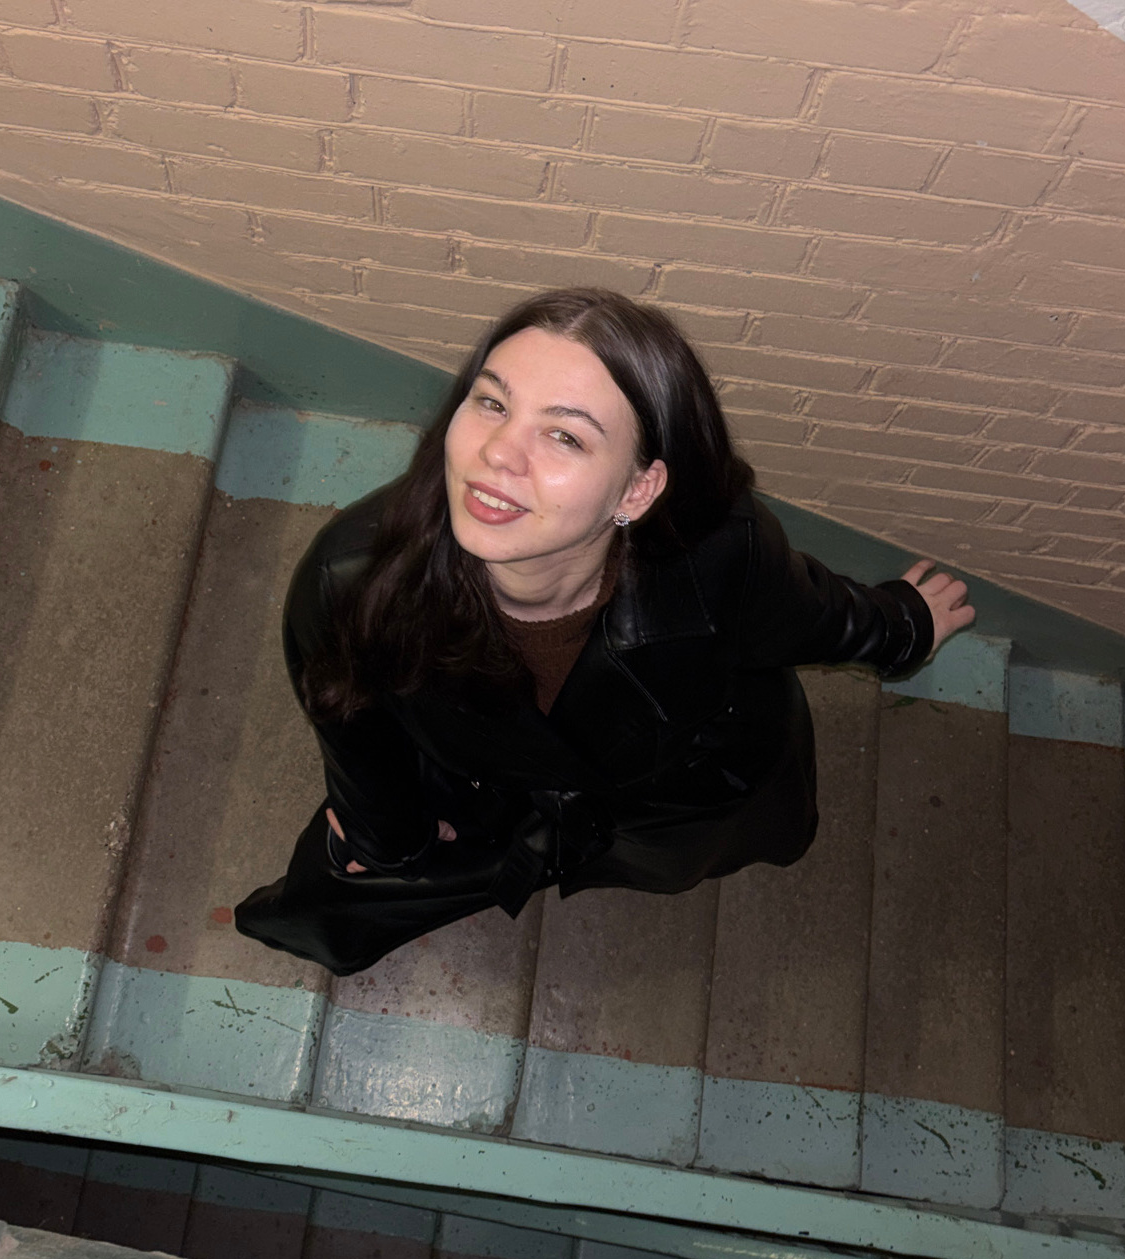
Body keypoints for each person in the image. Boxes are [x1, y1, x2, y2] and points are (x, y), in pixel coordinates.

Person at [235, 287, 974, 977]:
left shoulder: (721, 551)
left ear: (638, 489)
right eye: (491, 402)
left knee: (696, 846)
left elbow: (812, 614)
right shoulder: (350, 579)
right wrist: (390, 839)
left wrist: (906, 626)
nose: (498, 453)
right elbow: (349, 723)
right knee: (349, 883)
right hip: (480, 788)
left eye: (564, 435)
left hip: (671, 786)